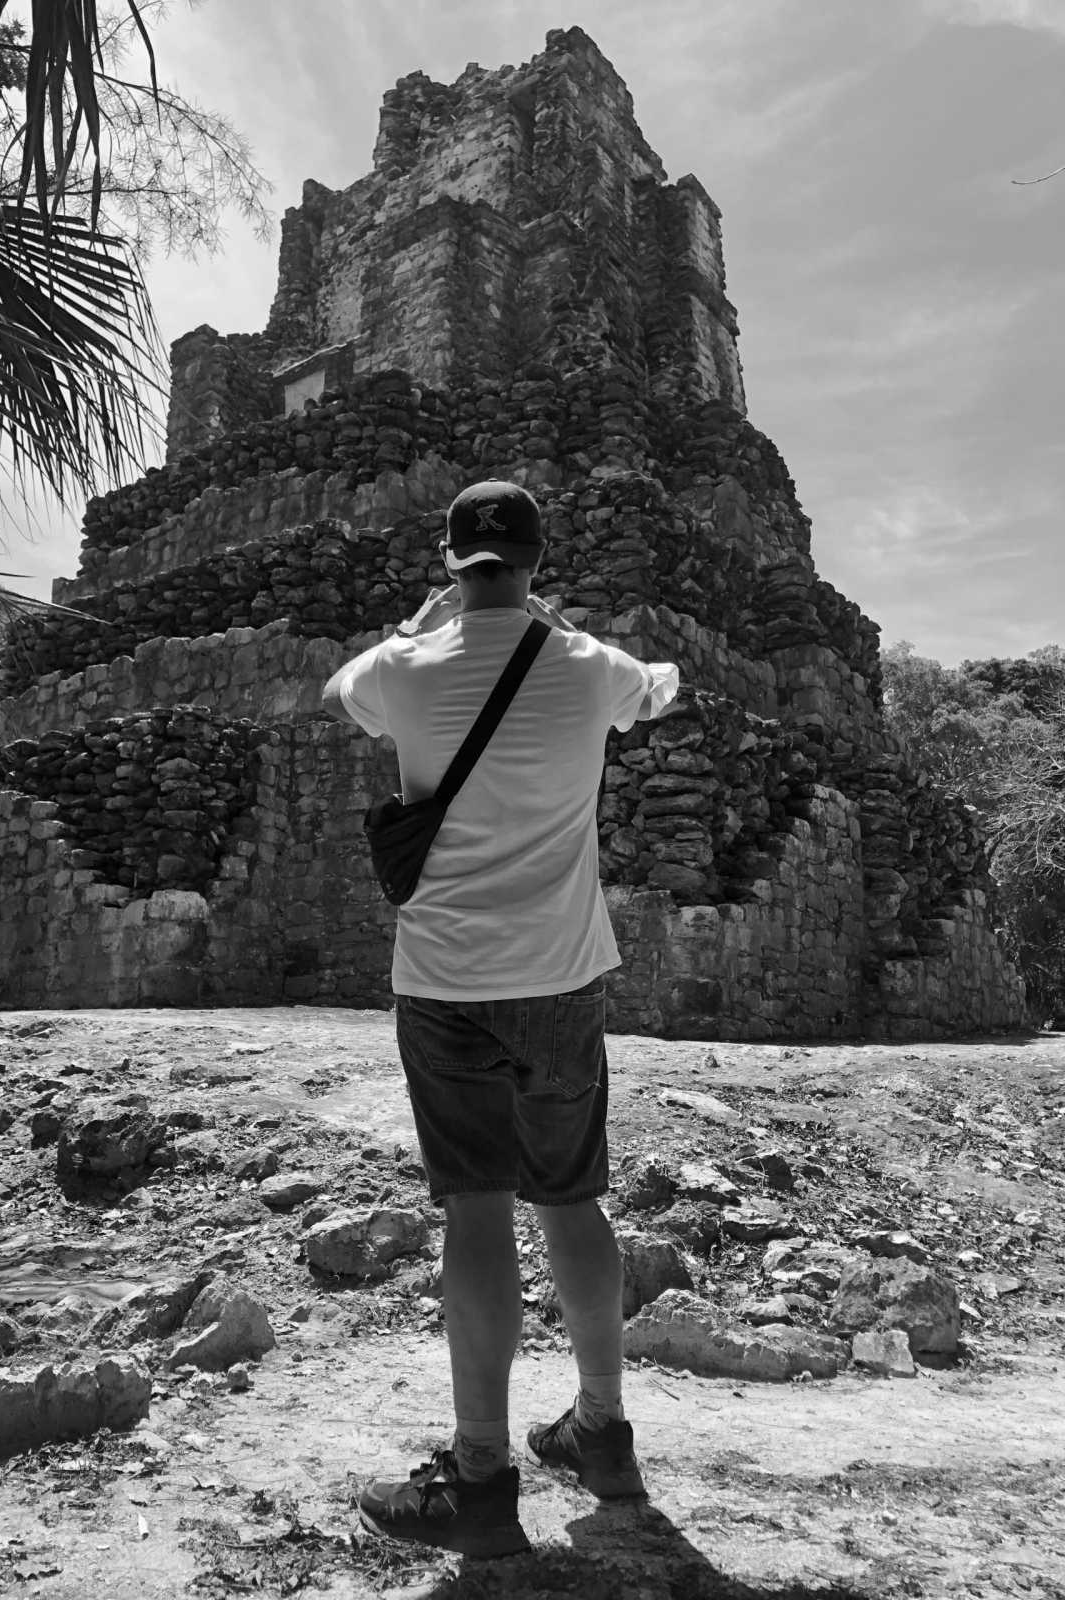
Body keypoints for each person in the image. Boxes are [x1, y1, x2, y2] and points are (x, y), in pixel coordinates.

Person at [320, 479, 680, 1559]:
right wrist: (562, 629)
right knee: (572, 1200)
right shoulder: (590, 667)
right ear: (536, 560)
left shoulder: (403, 670)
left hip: (443, 982)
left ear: (451, 561)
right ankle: (602, 1431)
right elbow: (659, 688)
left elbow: (338, 688)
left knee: (476, 1212)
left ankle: (480, 1477)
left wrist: (418, 624)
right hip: (563, 978)